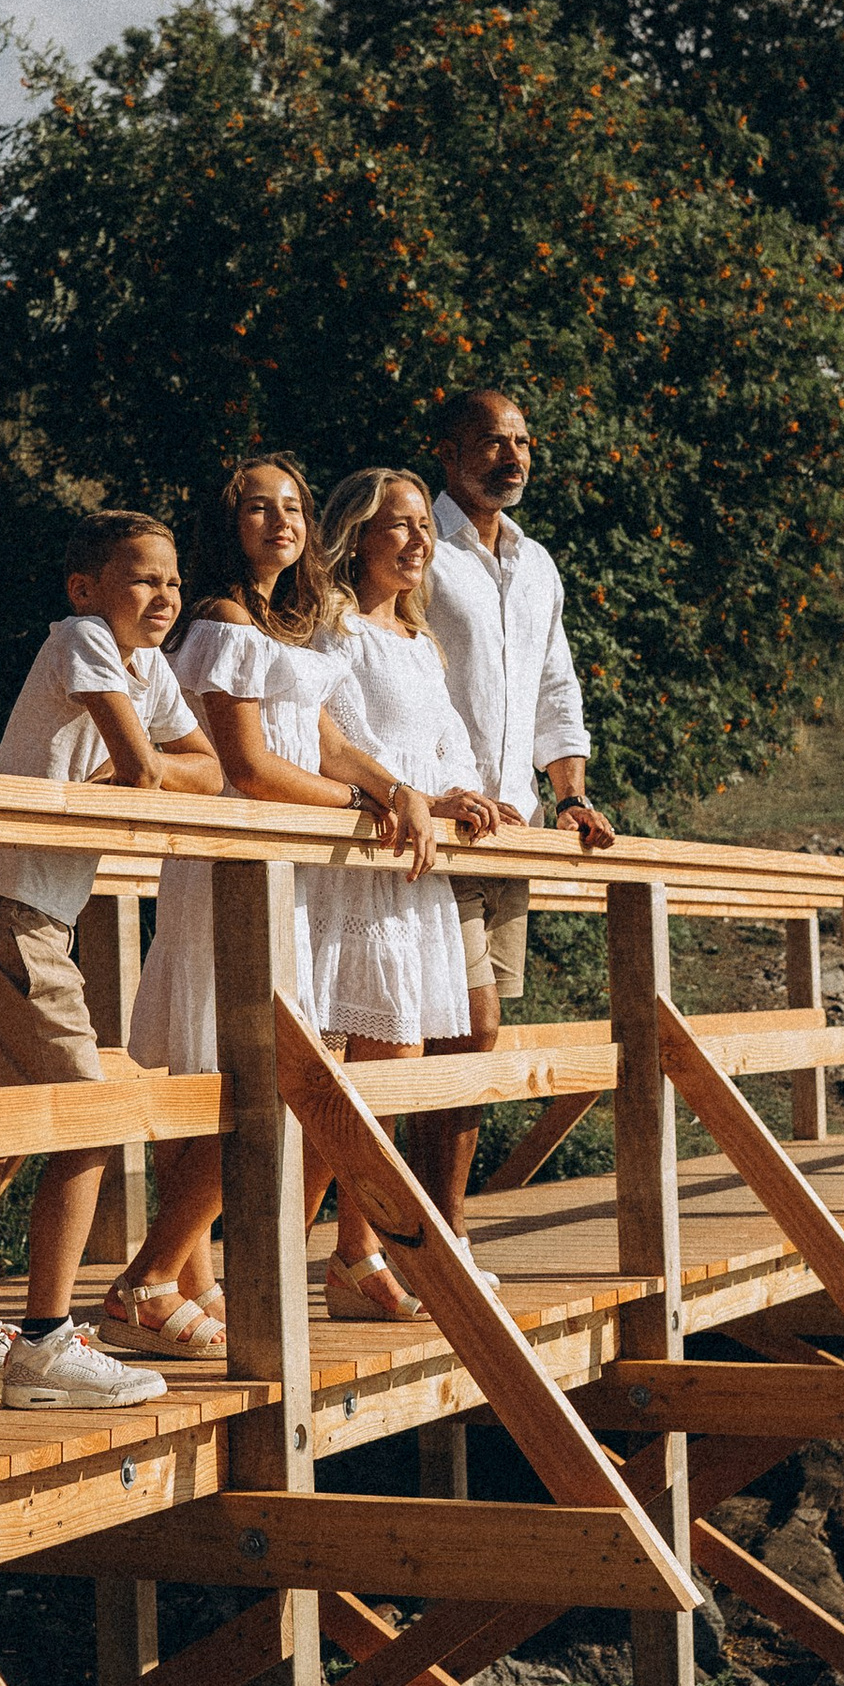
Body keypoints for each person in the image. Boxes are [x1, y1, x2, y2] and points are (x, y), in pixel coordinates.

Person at [102, 455, 434, 1358]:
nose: (282, 520)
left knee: (266, 1074)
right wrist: (362, 807)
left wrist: (395, 787)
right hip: (235, 873)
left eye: (293, 505)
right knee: (254, 1075)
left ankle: (189, 1274)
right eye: (259, 508)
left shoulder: (287, 623)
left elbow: (326, 742)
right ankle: (146, 1278)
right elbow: (247, 768)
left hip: (288, 878)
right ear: (228, 522)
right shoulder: (218, 619)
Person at [0, 511, 225, 1408]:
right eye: (142, 579)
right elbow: (145, 768)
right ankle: (49, 1343)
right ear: (87, 589)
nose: (164, 595)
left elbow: (204, 765)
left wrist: (150, 768)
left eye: (173, 580)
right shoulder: (82, 639)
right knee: (90, 1119)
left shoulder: (143, 664)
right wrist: (141, 769)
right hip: (13, 912)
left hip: (21, 914)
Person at [301, 466, 501, 1311]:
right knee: (335, 1069)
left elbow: (451, 746)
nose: (418, 541)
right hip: (350, 865)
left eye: (425, 525)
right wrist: (398, 791)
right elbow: (318, 735)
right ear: (357, 536)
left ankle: (358, 1253)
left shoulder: (422, 643)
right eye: (399, 526)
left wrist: (454, 795)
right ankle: (287, 1246)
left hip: (413, 873)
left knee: (396, 1060)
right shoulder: (332, 626)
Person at [420, 385, 616, 1241]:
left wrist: (569, 794)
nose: (514, 456)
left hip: (515, 834)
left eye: (524, 441)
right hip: (435, 828)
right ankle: (432, 1233)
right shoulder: (413, 545)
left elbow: (554, 690)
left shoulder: (536, 564)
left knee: (470, 1038)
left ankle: (423, 1229)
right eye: (494, 441)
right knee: (461, 1028)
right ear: (447, 451)